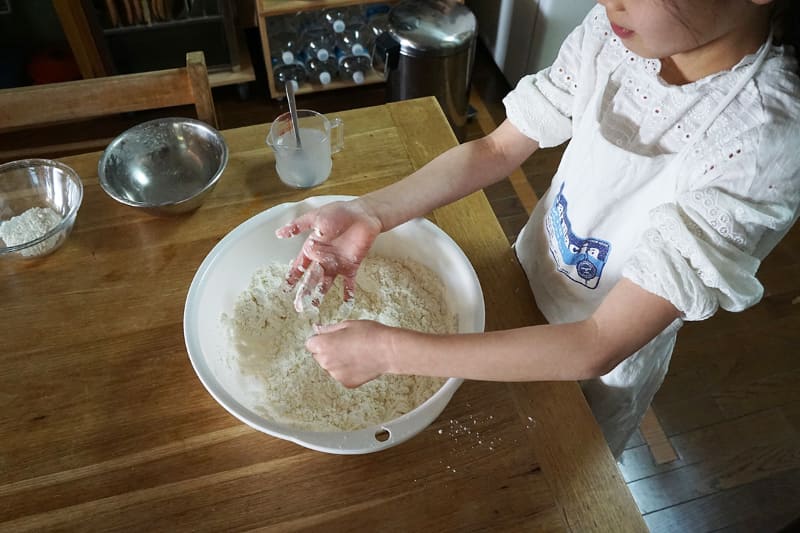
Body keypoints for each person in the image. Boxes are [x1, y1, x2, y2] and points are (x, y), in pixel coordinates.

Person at [275, 0, 800, 458]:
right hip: (522, 275)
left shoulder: (761, 144)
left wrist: (388, 352)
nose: (606, 1)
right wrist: (371, 211)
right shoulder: (614, 35)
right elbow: (497, 147)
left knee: (555, 456)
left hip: (594, 364)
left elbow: (598, 343)